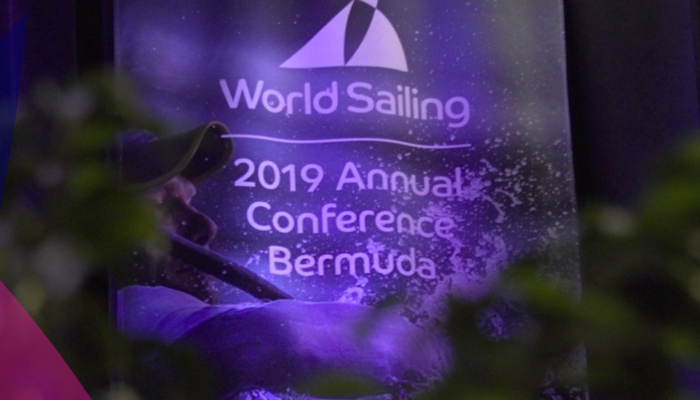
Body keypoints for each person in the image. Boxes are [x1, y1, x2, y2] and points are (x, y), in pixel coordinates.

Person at [113, 122, 449, 399]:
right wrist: (441, 357)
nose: (205, 226)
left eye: (189, 201)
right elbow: (271, 339)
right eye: (160, 205)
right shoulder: (127, 307)